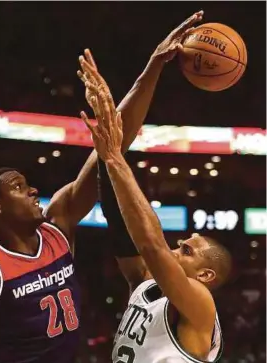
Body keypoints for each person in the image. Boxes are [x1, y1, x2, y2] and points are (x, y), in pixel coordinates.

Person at [0, 12, 202, 363]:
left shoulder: (59, 227)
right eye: (19, 187)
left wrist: (153, 66)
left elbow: (112, 144)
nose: (33, 190)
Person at [80, 23, 232, 362]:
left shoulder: (200, 304)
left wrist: (115, 157)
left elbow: (151, 243)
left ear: (205, 275)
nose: (176, 248)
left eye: (187, 251)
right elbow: (121, 221)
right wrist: (151, 70)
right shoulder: (147, 285)